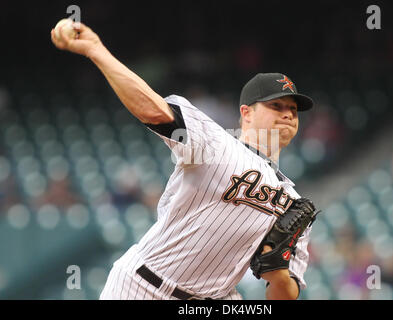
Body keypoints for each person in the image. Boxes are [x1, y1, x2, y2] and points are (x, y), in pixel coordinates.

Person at [51, 21, 316, 300]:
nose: (288, 114)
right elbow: (153, 110)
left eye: (293, 110)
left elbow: (283, 297)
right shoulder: (217, 142)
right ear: (246, 113)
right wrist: (97, 51)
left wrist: (278, 269)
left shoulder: (294, 204)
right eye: (276, 105)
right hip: (142, 286)